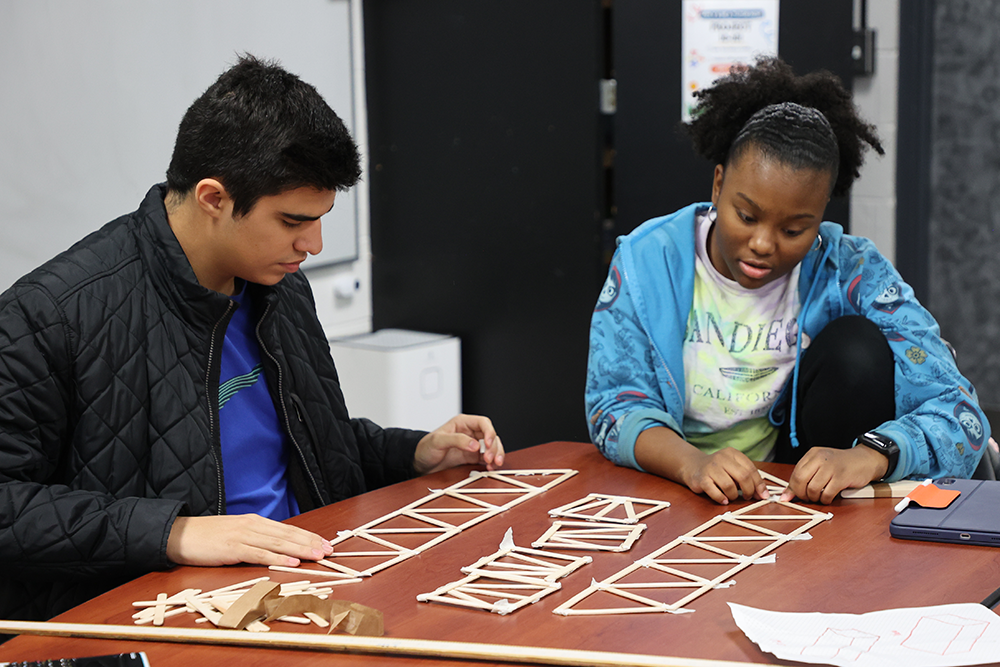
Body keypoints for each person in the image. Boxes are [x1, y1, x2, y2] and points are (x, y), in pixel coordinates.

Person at [0, 55, 504, 624]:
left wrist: (410, 452)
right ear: (214, 198)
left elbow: (304, 444)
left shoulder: (281, 287)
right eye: (291, 222)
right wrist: (173, 533)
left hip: (311, 589)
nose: (312, 245)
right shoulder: (52, 313)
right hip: (173, 617)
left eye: (320, 219)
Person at [586, 57, 989, 507]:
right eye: (746, 215)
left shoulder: (849, 269)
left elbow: (961, 411)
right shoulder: (647, 259)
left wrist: (871, 455)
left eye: (794, 230)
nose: (763, 244)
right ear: (718, 183)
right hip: (676, 483)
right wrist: (694, 464)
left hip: (796, 490)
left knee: (856, 347)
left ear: (819, 220)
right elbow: (613, 409)